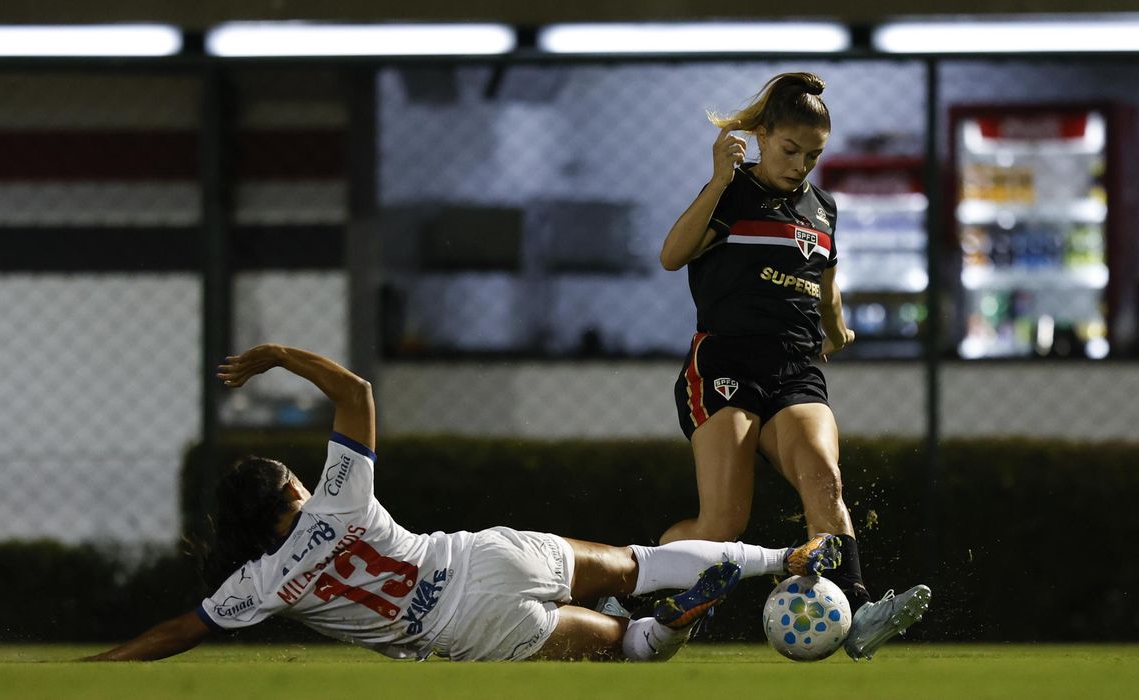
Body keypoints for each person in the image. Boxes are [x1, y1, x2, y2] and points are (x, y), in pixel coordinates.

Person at [85, 343, 842, 663]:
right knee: (637, 563)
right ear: (292, 490)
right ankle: (782, 557)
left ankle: (663, 629)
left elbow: (179, 631)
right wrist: (279, 356)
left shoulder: (259, 585)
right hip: (483, 556)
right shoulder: (337, 502)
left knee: (626, 648)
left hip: (464, 628)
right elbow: (356, 393)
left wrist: (103, 663)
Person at [657, 71, 930, 661]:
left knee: (824, 477)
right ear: (760, 136)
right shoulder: (731, 195)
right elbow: (671, 256)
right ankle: (633, 589)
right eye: (790, 150)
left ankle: (858, 611)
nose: (801, 164)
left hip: (795, 370)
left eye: (813, 155)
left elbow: (826, 286)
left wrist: (837, 329)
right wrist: (717, 180)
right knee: (722, 524)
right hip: (726, 363)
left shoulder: (823, 209)